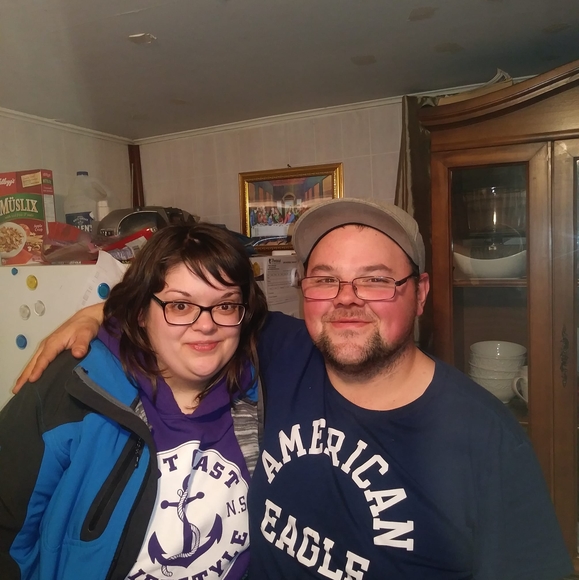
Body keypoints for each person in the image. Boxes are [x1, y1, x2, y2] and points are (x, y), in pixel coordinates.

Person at [10, 199, 573, 579]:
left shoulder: (485, 439)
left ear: (420, 292)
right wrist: (99, 312)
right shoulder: (283, 350)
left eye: (376, 280)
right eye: (326, 279)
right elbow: (191, 309)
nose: (346, 299)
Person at [0, 223, 268, 580]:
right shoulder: (73, 388)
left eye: (225, 305)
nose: (206, 325)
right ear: (141, 313)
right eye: (180, 305)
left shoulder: (264, 390)